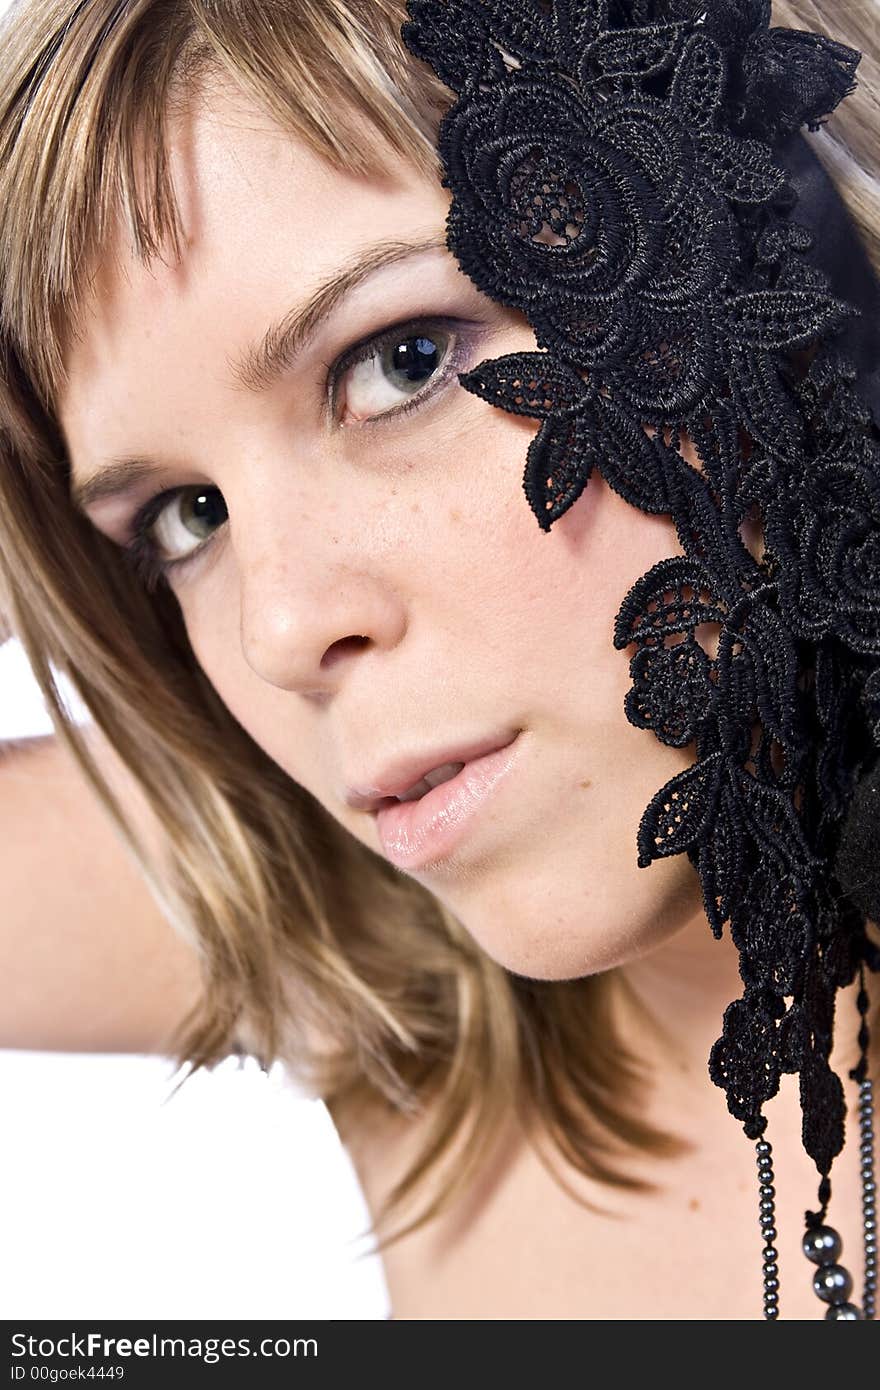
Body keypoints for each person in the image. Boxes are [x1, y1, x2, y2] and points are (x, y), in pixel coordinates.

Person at [0, 0, 878, 1320]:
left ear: (787, 264)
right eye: (186, 516)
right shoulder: (389, 983)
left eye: (399, 362)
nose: (280, 632)